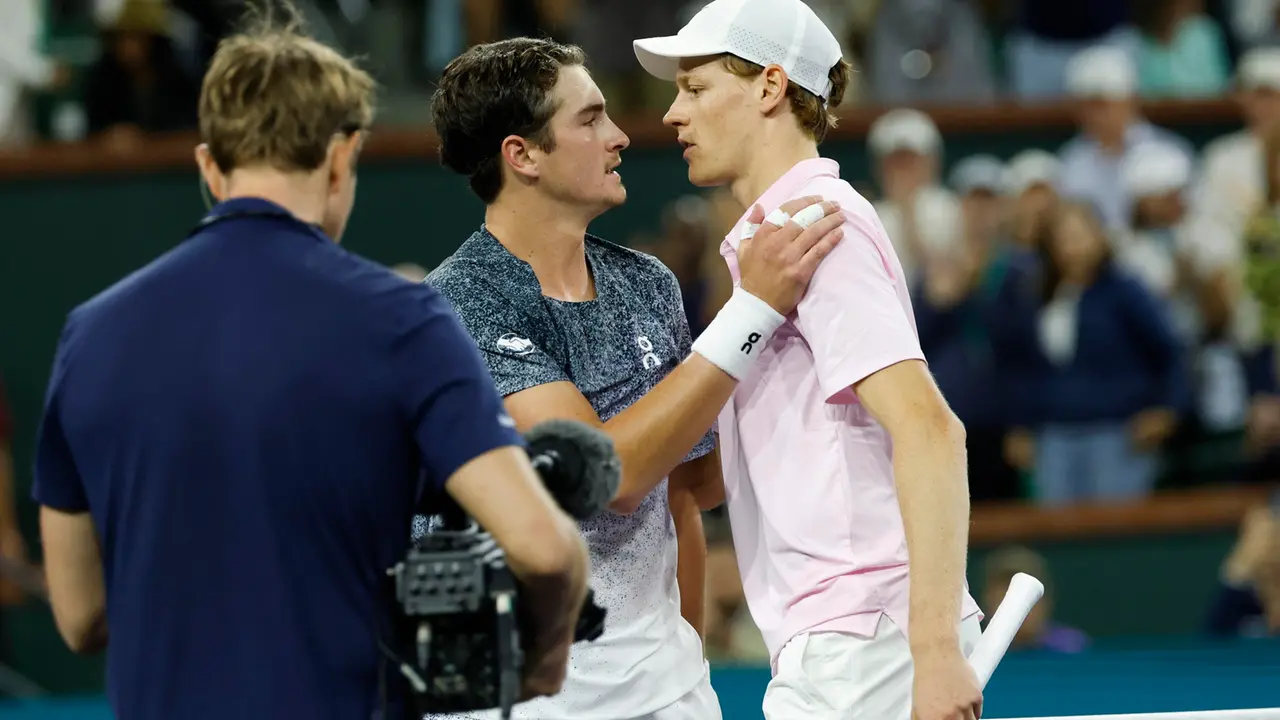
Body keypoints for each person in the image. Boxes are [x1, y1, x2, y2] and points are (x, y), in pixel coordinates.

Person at [30, 9, 589, 720]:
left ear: (209, 165)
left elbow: (80, 616)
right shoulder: (403, 320)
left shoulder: (89, 335)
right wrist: (539, 663)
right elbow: (544, 550)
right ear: (340, 157)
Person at [427, 36, 844, 720]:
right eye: (589, 120)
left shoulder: (648, 284)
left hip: (664, 688)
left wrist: (686, 661)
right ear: (522, 155)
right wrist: (755, 310)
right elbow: (613, 478)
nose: (619, 136)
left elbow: (688, 491)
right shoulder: (460, 304)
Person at [633, 1, 985, 718]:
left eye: (695, 89)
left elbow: (931, 430)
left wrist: (934, 651)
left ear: (769, 87)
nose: (673, 113)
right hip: (844, 635)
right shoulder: (781, 240)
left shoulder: (820, 228)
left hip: (867, 639)